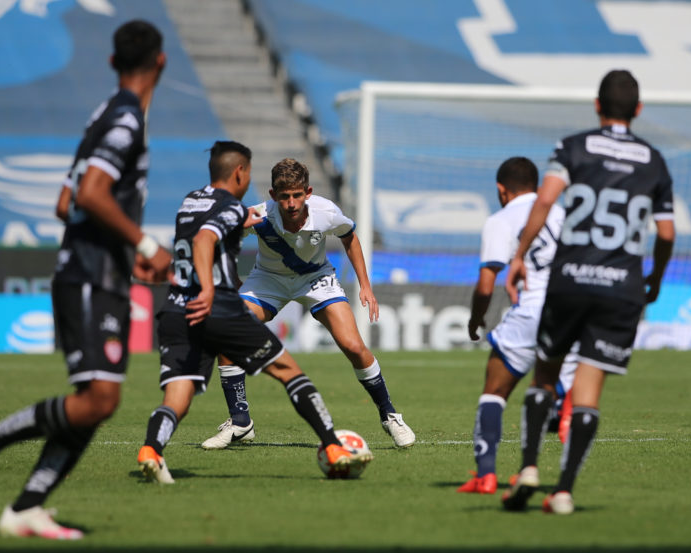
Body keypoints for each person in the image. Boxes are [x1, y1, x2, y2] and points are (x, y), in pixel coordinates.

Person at [0, 20, 172, 539]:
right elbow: (91, 194)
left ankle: (28, 506)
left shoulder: (103, 113)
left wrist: (121, 246)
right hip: (92, 278)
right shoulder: (126, 120)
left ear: (112, 62)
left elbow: (64, 200)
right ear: (160, 62)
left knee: (98, 402)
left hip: (97, 271)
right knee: (99, 400)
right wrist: (142, 242)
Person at [136, 142, 372, 484]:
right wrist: (207, 286)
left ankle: (151, 449)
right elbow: (205, 240)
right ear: (239, 173)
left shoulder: (189, 202)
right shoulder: (232, 208)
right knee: (291, 372)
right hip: (217, 306)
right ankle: (333, 446)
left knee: (178, 395)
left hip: (177, 309)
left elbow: (200, 234)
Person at [502, 70, 675, 515]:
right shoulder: (654, 161)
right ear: (638, 111)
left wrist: (520, 255)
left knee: (545, 375)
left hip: (570, 280)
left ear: (597, 106)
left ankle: (527, 469)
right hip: (621, 287)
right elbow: (668, 231)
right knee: (588, 389)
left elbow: (544, 202)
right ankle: (564, 491)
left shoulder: (574, 146)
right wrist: (655, 275)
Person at [199, 158, 415, 450]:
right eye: (284, 196)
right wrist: (233, 280)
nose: (291, 203)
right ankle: (240, 422)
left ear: (308, 192)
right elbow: (219, 240)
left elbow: (349, 237)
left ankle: (390, 415)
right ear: (274, 196)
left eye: (297, 195)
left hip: (316, 279)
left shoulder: (326, 212)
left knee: (353, 346)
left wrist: (365, 285)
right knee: (227, 331)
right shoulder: (259, 215)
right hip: (268, 280)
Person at [458, 157, 576, 495]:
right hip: (569, 312)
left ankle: (486, 475)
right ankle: (558, 475)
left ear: (501, 189)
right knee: (555, 389)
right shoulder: (562, 213)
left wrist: (476, 318)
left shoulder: (501, 219)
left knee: (494, 392)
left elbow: (485, 285)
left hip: (531, 310)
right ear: (537, 186)